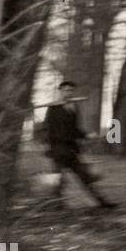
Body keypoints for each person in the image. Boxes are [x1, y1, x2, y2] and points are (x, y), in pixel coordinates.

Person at [44, 81, 118, 210]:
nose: (68, 93)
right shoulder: (53, 108)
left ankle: (101, 203)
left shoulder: (74, 107)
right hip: (58, 149)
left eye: (70, 90)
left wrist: (87, 135)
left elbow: (74, 129)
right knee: (59, 180)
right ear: (60, 92)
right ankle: (57, 206)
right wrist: (52, 147)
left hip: (71, 150)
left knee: (84, 177)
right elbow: (49, 130)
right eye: (65, 90)